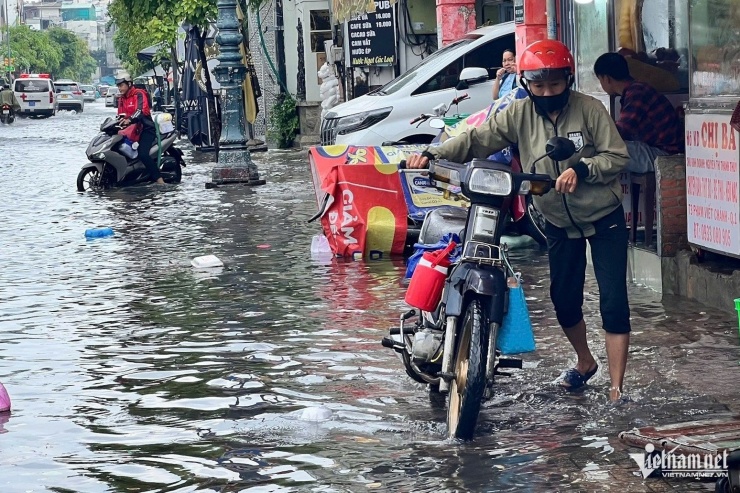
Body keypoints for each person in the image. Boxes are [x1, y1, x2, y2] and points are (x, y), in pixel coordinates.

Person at [406, 39, 632, 402]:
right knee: (564, 300)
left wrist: (583, 168)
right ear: (526, 84)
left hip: (604, 217)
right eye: (538, 86)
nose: (547, 92)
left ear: (568, 80)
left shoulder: (590, 110)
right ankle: (585, 361)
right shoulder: (519, 113)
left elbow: (617, 156)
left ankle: (617, 390)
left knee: (614, 303)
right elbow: (478, 139)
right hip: (557, 220)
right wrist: (431, 152)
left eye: (555, 85)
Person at [594, 52, 684, 173]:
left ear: (606, 78)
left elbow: (621, 131)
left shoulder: (637, 92)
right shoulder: (635, 90)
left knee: (608, 149)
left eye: (600, 80)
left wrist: (593, 135)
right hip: (658, 150)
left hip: (666, 155)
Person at [116, 73, 165, 185]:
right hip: (130, 131)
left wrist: (130, 120)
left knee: (143, 154)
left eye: (121, 85)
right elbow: (120, 114)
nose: (119, 88)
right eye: (118, 86)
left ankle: (160, 180)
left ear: (129, 84)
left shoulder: (139, 94)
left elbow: (141, 110)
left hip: (146, 129)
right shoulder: (121, 99)